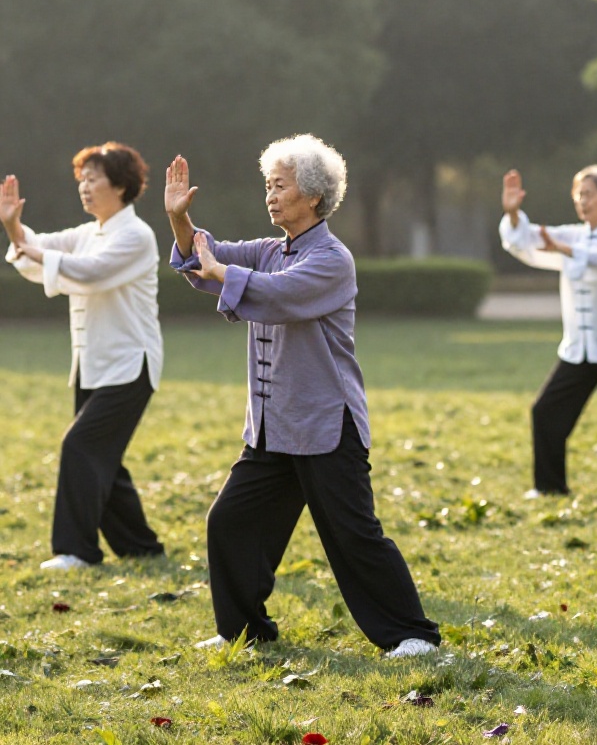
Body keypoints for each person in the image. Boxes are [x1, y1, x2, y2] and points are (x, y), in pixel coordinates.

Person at [164, 138, 440, 658]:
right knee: (230, 521)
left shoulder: (332, 260)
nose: (270, 196)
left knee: (353, 535)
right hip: (272, 427)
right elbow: (204, 259)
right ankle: (244, 630)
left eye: (281, 185)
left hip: (325, 424)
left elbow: (280, 296)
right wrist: (181, 220)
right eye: (267, 185)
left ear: (312, 195)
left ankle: (412, 635)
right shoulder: (270, 251)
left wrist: (222, 272)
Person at [2, 144, 165, 571]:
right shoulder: (87, 233)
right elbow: (38, 249)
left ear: (121, 185)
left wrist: (30, 246)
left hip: (132, 365)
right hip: (93, 364)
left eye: (93, 178)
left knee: (80, 447)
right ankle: (142, 549)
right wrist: (15, 228)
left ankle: (77, 551)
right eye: (82, 179)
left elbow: (90, 274)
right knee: (102, 460)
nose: (85, 187)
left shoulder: (136, 236)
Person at [499, 165, 597, 497]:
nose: (581, 201)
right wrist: (514, 215)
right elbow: (527, 240)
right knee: (544, 412)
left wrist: (562, 249)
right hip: (578, 349)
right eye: (577, 195)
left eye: (589, 194)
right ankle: (550, 487)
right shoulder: (572, 235)